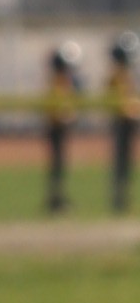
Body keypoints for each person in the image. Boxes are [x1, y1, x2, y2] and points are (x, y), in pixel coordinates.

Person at [42, 42, 83, 215]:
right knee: (57, 165)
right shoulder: (58, 81)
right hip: (56, 128)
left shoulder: (62, 81)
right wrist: (68, 116)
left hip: (60, 128)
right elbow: (57, 109)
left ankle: (58, 198)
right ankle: (56, 200)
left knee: (60, 165)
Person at [108, 33, 137, 216]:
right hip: (121, 122)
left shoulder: (126, 75)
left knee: (126, 162)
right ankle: (119, 198)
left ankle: (123, 196)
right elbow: (121, 101)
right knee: (121, 162)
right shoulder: (117, 76)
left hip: (128, 122)